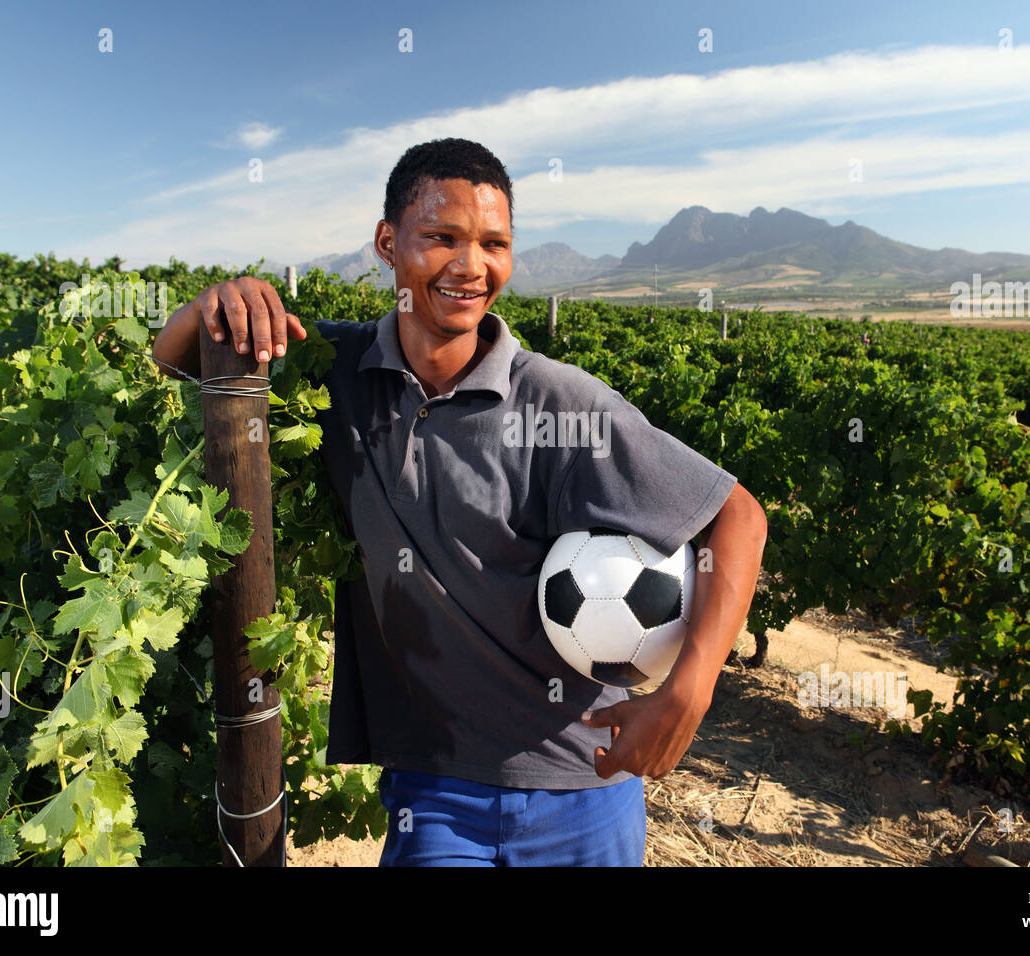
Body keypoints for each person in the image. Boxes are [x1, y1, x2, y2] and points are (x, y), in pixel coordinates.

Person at [152, 138, 767, 866]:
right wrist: (215, 303)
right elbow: (180, 364)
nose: (470, 265)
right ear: (387, 244)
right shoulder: (334, 373)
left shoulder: (558, 401)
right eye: (442, 237)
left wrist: (689, 691)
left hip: (580, 786)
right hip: (433, 788)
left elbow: (736, 516)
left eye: (494, 244)